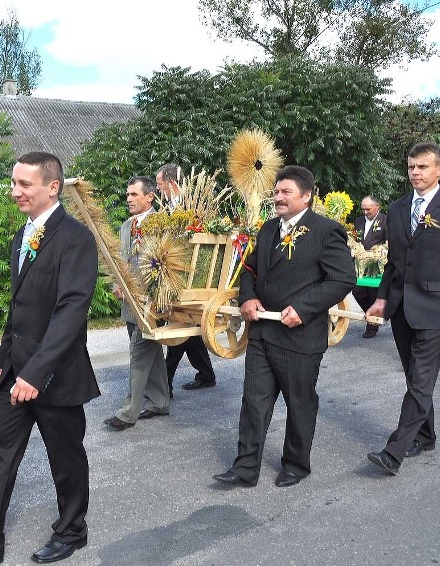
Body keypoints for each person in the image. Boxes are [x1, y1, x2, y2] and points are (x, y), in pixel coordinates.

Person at [0, 152, 99, 565]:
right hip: (15, 373)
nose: (15, 192)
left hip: (56, 376)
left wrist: (36, 372)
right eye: (14, 183)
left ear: (52, 187)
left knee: (66, 459)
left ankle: (72, 530)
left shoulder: (76, 238)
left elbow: (71, 310)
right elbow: (19, 306)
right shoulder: (21, 236)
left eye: (24, 184)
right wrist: (4, 356)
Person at [213, 165, 355, 488]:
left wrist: (303, 309)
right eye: (276, 191)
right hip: (263, 331)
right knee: (254, 400)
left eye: (285, 192)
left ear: (306, 196)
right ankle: (246, 467)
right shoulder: (267, 229)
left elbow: (343, 278)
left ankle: (295, 463)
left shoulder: (325, 230)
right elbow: (249, 269)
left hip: (300, 336)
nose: (277, 197)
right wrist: (247, 299)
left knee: (299, 402)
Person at [366, 142, 440, 475]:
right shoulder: (398, 209)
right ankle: (425, 435)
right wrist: (383, 297)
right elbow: (393, 263)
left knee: (421, 380)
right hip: (401, 308)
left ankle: (394, 451)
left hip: (436, 310)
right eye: (412, 166)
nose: (415, 172)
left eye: (423, 167)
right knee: (416, 378)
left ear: (439, 169)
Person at [104, 176, 170, 431]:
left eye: (134, 194)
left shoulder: (162, 224)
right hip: (128, 302)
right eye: (128, 194)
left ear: (149, 197)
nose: (128, 199)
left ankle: (128, 412)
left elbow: (168, 265)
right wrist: (117, 285)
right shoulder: (125, 226)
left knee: (139, 351)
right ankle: (161, 401)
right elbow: (121, 262)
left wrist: (156, 296)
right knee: (151, 353)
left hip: (151, 303)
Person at [154, 164, 217, 394]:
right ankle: (206, 374)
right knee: (189, 326)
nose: (159, 191)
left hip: (187, 272)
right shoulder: (167, 208)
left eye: (160, 185)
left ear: (172, 184)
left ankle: (165, 384)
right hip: (173, 268)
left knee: (179, 325)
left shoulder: (193, 206)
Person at [351, 195, 388, 338]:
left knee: (373, 293)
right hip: (361, 263)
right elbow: (356, 239)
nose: (365, 212)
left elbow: (388, 241)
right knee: (357, 291)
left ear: (377, 206)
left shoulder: (385, 220)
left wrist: (380, 250)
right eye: (363, 209)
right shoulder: (358, 221)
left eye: (368, 209)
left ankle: (371, 325)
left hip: (375, 264)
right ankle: (372, 315)